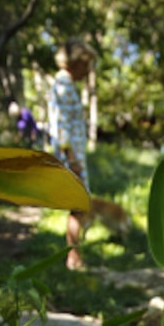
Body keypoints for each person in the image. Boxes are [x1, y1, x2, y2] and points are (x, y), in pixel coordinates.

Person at [47, 38, 95, 270]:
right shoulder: (64, 85)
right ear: (77, 61)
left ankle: (75, 256)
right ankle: (73, 258)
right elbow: (62, 125)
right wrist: (72, 158)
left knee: (78, 209)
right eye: (87, 64)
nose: (88, 70)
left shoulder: (65, 84)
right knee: (78, 209)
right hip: (71, 157)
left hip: (73, 154)